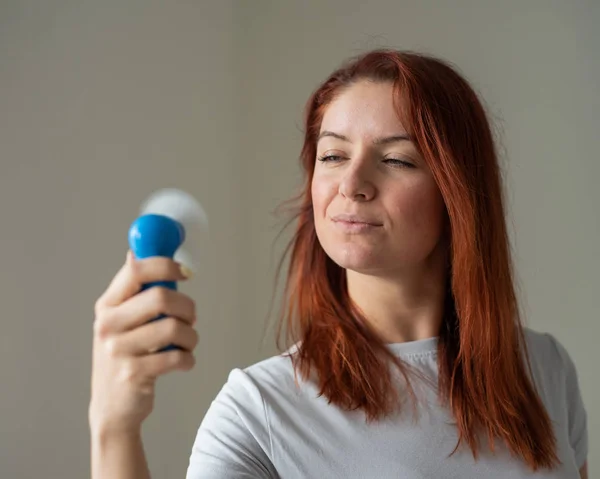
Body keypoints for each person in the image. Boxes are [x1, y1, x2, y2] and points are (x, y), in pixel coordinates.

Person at [89, 49, 589, 478]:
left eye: (396, 159)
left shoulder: (545, 369)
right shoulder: (258, 409)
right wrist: (114, 427)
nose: (352, 184)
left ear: (458, 194)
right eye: (332, 156)